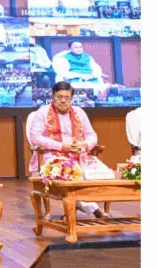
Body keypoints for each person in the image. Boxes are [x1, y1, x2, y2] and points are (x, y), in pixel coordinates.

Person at [28, 81, 109, 218]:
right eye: (59, 97)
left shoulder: (79, 112)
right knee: (71, 176)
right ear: (53, 97)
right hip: (52, 156)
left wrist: (85, 145)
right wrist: (62, 146)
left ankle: (72, 207)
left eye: (67, 98)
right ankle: (96, 210)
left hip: (79, 154)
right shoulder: (42, 113)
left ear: (72, 98)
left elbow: (91, 135)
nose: (63, 101)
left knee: (103, 174)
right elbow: (35, 137)